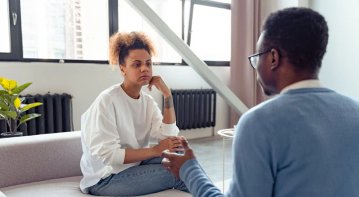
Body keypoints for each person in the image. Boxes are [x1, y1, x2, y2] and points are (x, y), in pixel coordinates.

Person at [162, 7, 359, 197]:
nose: (255, 67)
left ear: (273, 57)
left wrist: (189, 169)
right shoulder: (355, 111)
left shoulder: (259, 123)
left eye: (257, 57)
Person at [79, 31, 188, 196]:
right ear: (123, 69)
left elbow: (169, 135)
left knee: (184, 158)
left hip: (134, 165)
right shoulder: (107, 101)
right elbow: (110, 156)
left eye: (148, 63)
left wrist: (167, 95)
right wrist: (156, 150)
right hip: (105, 178)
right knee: (178, 173)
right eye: (137, 64)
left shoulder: (147, 101)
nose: (145, 68)